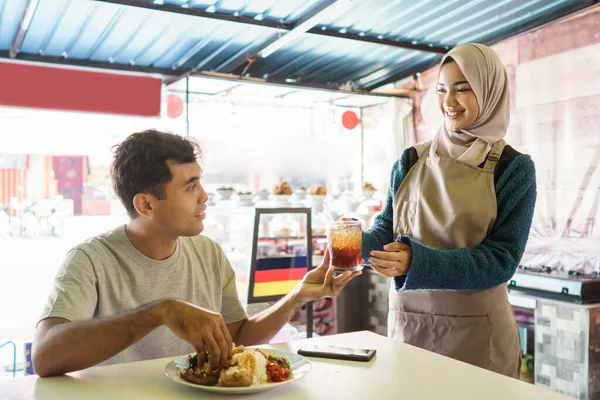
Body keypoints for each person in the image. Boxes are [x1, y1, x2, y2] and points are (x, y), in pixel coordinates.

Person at [33, 130, 361, 377]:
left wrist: (297, 295)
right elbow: (45, 355)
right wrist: (161, 312)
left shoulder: (208, 252)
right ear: (146, 204)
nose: (204, 197)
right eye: (190, 187)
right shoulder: (91, 259)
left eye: (200, 183)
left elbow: (236, 338)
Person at [363, 43, 536, 378]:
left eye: (462, 89)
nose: (448, 102)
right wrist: (354, 243)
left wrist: (418, 262)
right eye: (441, 90)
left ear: (489, 92)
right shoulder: (410, 161)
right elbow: (387, 231)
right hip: (409, 330)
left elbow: (501, 260)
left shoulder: (512, 169)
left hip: (477, 339)